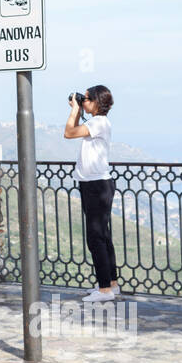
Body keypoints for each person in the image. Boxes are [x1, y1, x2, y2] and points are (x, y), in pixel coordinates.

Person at [64, 86, 118, 302]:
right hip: (95, 184)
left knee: (95, 238)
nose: (83, 101)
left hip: (96, 186)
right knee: (103, 236)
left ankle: (104, 290)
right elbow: (76, 130)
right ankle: (112, 284)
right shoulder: (97, 122)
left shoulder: (98, 122)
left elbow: (69, 132)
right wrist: (78, 108)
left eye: (86, 99)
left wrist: (74, 109)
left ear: (96, 102)